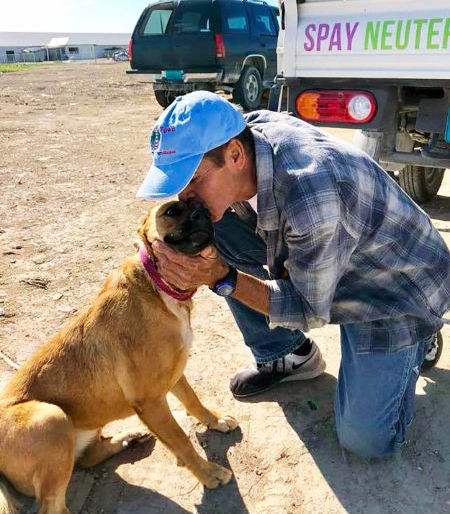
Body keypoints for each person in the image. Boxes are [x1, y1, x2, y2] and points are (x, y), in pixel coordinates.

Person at [137, 90, 450, 459]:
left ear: (235, 155)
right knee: (206, 229)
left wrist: (222, 277)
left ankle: (420, 332)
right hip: (329, 249)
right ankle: (286, 354)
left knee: (365, 441)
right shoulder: (245, 138)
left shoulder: (311, 194)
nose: (183, 195)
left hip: (391, 289)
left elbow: (307, 310)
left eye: (192, 179)